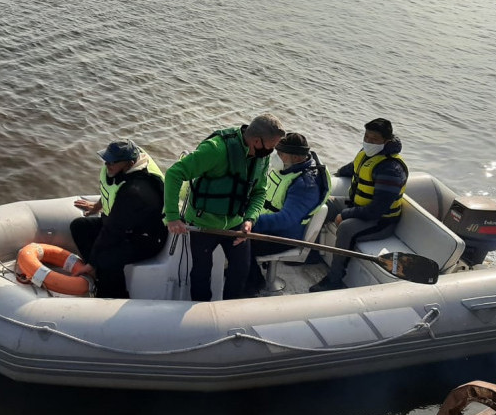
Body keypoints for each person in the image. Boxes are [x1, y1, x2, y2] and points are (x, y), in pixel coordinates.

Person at [164, 113, 285, 301]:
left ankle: (229, 310)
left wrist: (250, 219)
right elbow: (174, 174)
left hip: (236, 223)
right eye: (271, 147)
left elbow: (260, 192)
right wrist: (172, 216)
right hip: (203, 223)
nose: (272, 152)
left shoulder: (262, 157)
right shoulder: (216, 150)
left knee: (241, 269)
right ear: (256, 140)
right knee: (201, 272)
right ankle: (201, 310)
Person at [309, 118, 408, 292]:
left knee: (346, 227)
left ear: (387, 141)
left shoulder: (391, 169)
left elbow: (377, 209)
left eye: (374, 139)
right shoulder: (368, 154)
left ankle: (334, 278)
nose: (368, 141)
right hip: (358, 206)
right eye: (366, 136)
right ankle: (312, 253)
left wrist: (346, 214)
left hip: (380, 221)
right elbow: (354, 167)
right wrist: (336, 174)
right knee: (323, 204)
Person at [70, 139, 168, 298]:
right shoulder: (122, 168)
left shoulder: (135, 192)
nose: (107, 164)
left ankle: (114, 296)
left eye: (112, 162)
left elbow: (113, 230)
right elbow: (111, 189)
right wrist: (96, 207)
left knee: (106, 259)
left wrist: (92, 262)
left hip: (146, 238)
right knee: (79, 226)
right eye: (105, 160)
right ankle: (98, 274)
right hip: (125, 225)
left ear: (129, 163)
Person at [245, 133, 331, 295]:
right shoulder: (289, 169)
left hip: (285, 237)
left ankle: (253, 284)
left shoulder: (305, 185)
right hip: (270, 226)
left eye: (281, 154)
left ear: (297, 158)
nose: (277, 157)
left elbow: (286, 220)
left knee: (240, 243)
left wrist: (249, 222)